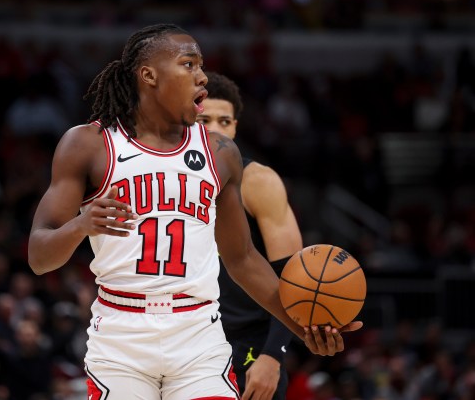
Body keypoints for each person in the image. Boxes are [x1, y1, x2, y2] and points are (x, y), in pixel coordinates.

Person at [28, 23, 362, 400]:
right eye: (189, 64)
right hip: (122, 336)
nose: (202, 76)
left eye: (201, 65)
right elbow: (39, 256)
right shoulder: (88, 144)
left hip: (197, 333)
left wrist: (303, 327)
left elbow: (243, 259)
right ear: (149, 75)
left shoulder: (220, 153)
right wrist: (80, 225)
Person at [197, 71, 302, 400]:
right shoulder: (165, 180)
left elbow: (294, 279)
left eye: (224, 121)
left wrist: (274, 355)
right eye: (205, 120)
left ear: (236, 127)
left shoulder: (259, 182)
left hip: (248, 345)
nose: (216, 129)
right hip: (183, 343)